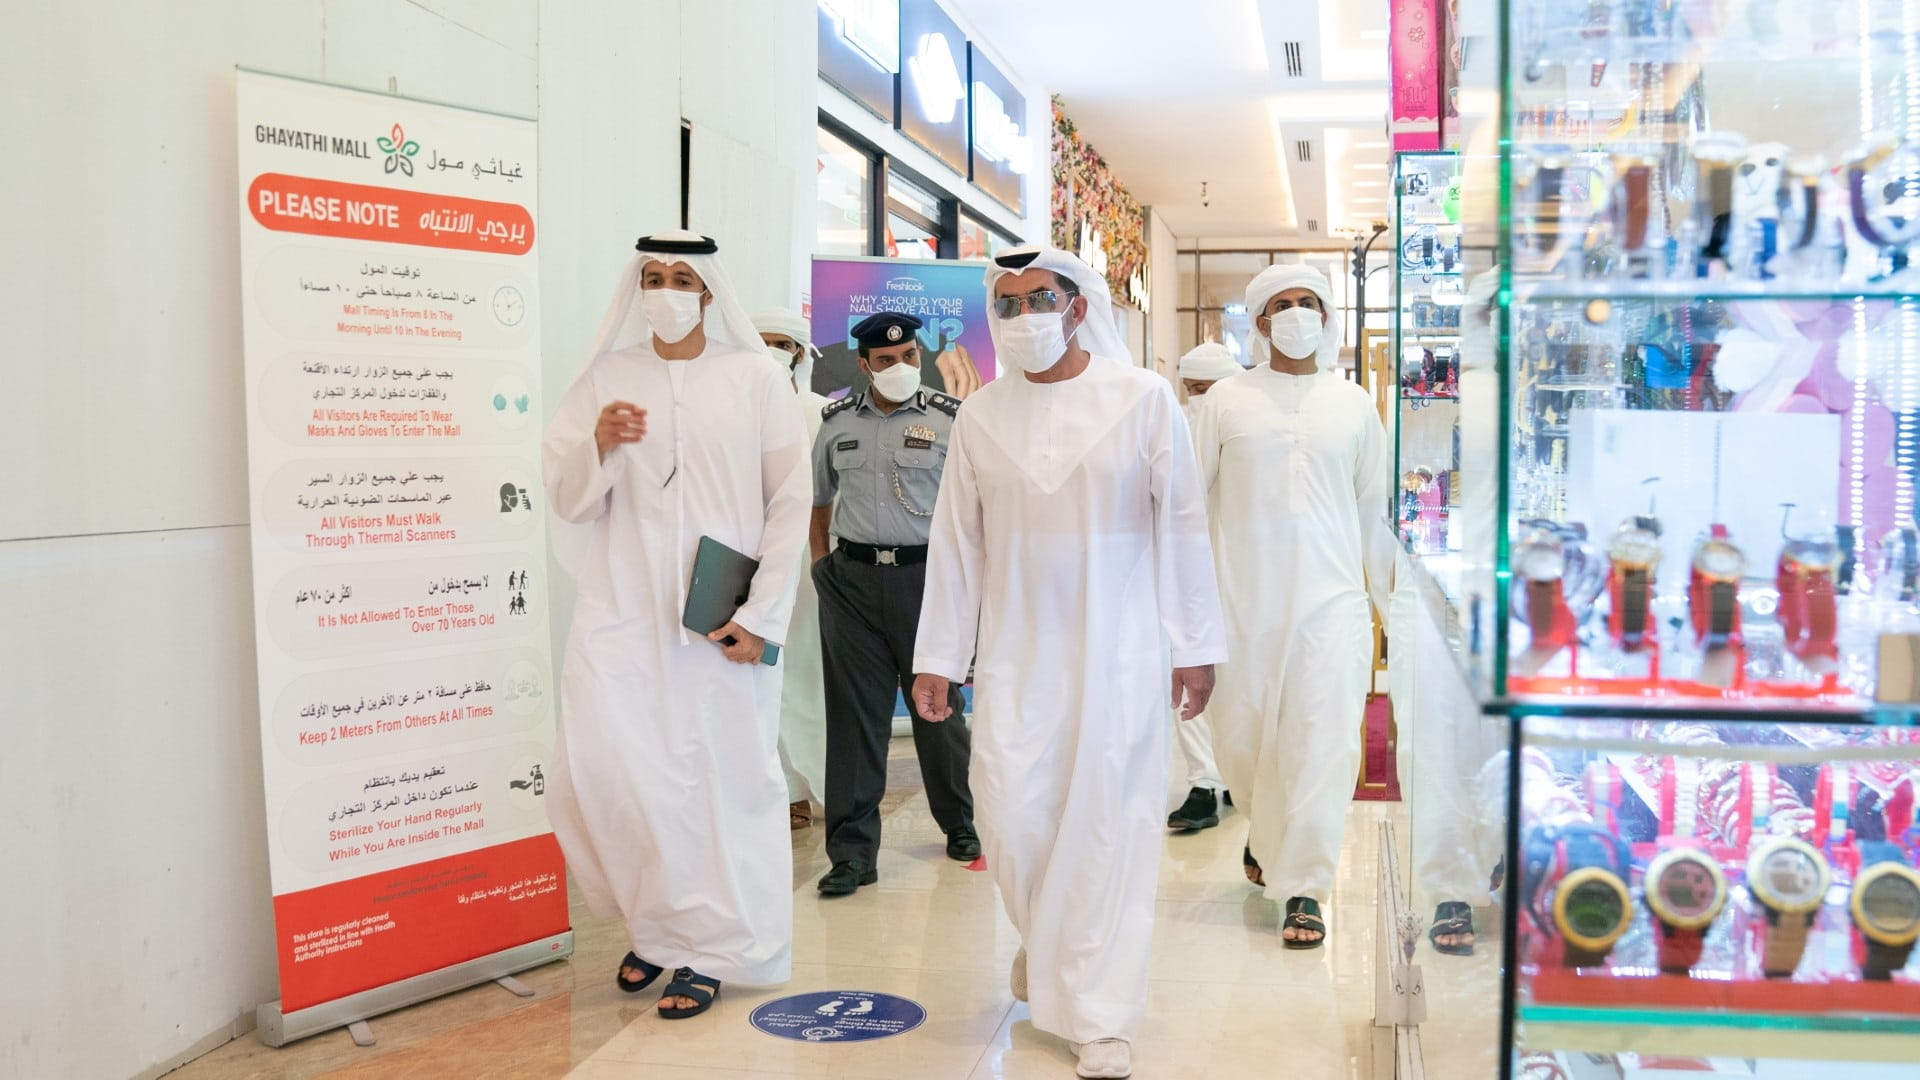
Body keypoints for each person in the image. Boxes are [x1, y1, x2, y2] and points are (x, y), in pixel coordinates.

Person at [911, 247, 1226, 1080]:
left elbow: (1184, 524)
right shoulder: (979, 414)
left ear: (1079, 306)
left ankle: (1101, 1015)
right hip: (1016, 653)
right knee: (1012, 820)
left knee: (1108, 826)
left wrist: (1194, 646)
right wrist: (938, 657)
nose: (1022, 320)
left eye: (1037, 300)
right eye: (1006, 306)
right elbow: (957, 544)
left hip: (1119, 650)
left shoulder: (1144, 400)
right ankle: (1049, 947)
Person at [542, 231, 811, 1019]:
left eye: (681, 278)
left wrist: (761, 616)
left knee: (716, 781)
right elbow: (569, 501)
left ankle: (714, 946)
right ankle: (657, 927)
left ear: (708, 290)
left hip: (719, 624)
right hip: (622, 612)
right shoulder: (608, 377)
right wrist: (597, 444)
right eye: (652, 277)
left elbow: (789, 502)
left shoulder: (755, 378)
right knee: (611, 772)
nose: (664, 290)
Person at [1189, 264, 1397, 950]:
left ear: (1327, 314)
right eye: (1282, 305)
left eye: (1309, 302)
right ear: (1259, 321)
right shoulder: (1226, 401)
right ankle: (1264, 826)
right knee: (1245, 743)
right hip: (1242, 602)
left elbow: (1372, 510)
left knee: (1325, 742)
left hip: (1332, 603)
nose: (1297, 314)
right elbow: (1190, 509)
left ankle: (1304, 886)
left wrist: (1391, 605)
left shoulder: (1354, 404)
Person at [812, 311, 977, 896]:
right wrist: (822, 567)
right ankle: (852, 854)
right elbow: (819, 501)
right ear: (863, 366)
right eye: (885, 361)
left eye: (908, 356)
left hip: (926, 581)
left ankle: (959, 822)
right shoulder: (834, 423)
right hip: (851, 582)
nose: (899, 367)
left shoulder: (951, 419)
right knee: (855, 721)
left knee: (938, 709)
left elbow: (974, 507)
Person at [755, 307, 830, 830]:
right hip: (747, 563)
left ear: (799, 353)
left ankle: (807, 789)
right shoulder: (732, 409)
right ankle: (771, 789)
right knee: (756, 678)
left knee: (805, 675)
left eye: (777, 343)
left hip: (808, 564)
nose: (767, 351)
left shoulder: (824, 414)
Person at [1166, 342, 1243, 832]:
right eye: (1194, 390)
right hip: (1183, 576)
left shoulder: (1246, 429)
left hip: (1240, 573)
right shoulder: (1169, 428)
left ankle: (1237, 772)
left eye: (1211, 390)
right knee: (1184, 675)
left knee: (1238, 684)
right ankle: (1202, 786)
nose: (1202, 400)